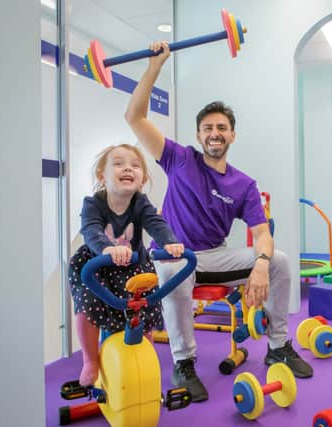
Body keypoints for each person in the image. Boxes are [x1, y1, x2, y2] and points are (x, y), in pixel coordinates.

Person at [124, 41, 313, 403]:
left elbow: (261, 233)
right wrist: (154, 67)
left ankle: (277, 346)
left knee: (281, 261)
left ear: (232, 135)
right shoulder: (178, 159)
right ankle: (185, 361)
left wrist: (260, 264)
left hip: (213, 256)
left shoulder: (244, 184)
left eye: (222, 127)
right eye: (208, 127)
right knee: (172, 268)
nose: (215, 132)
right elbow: (135, 117)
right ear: (198, 135)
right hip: (175, 256)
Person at [68, 143, 184, 386]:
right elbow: (91, 230)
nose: (128, 168)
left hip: (132, 266)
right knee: (88, 304)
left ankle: (145, 352)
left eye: (135, 165)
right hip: (96, 265)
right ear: (102, 175)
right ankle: (90, 360)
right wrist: (107, 249)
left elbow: (157, 224)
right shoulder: (93, 203)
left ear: (142, 178)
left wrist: (170, 243)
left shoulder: (140, 203)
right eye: (118, 163)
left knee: (144, 303)